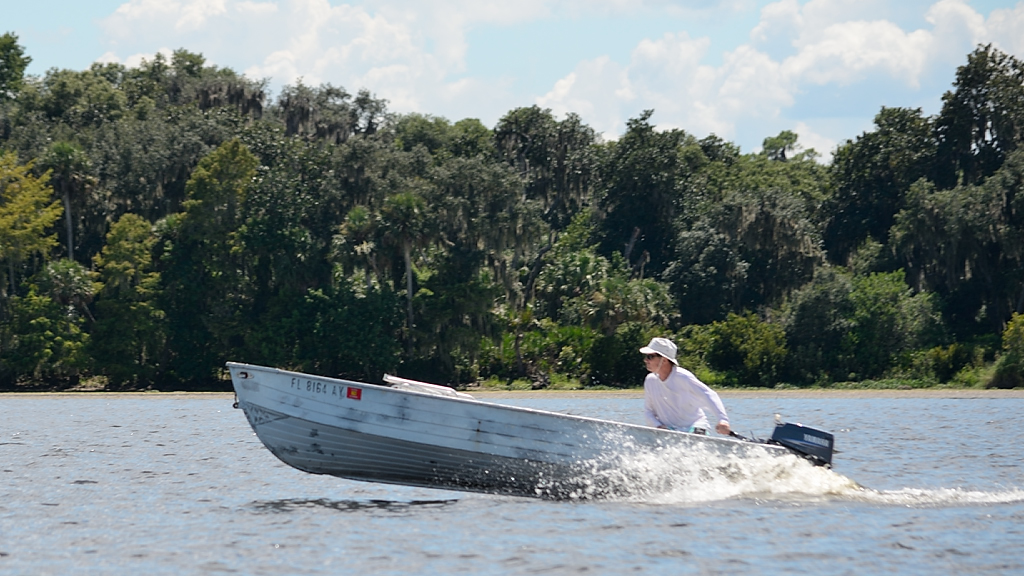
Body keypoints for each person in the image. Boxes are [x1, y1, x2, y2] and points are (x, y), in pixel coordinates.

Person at [640, 337, 732, 436]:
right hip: (669, 431)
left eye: (650, 357)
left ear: (664, 360)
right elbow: (649, 411)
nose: (645, 360)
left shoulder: (683, 377)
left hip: (695, 427)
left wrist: (723, 420)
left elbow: (709, 394)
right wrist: (658, 426)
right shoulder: (650, 381)